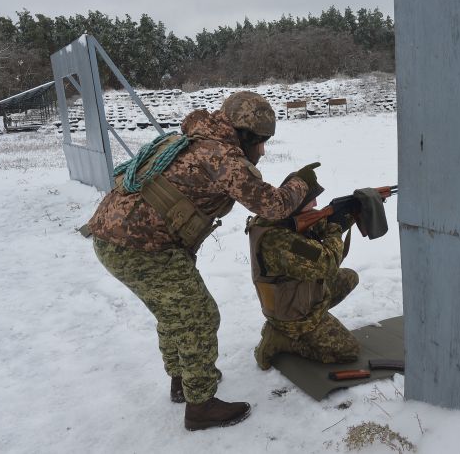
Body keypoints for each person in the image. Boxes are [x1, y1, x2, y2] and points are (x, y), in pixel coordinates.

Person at [86, 91, 320, 431]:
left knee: (174, 313)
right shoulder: (221, 155)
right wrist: (300, 184)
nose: (264, 150)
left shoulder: (199, 137)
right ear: (245, 135)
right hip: (141, 247)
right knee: (198, 316)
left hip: (115, 240)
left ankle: (183, 381)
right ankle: (201, 406)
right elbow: (274, 205)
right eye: (261, 142)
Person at [245, 178, 361, 370]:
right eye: (311, 200)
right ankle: (283, 339)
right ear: (295, 202)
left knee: (349, 277)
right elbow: (327, 264)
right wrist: (335, 230)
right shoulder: (280, 240)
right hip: (292, 315)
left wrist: (348, 213)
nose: (316, 204)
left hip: (294, 295)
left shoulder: (280, 218)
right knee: (349, 351)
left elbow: (316, 226)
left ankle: (316, 323)